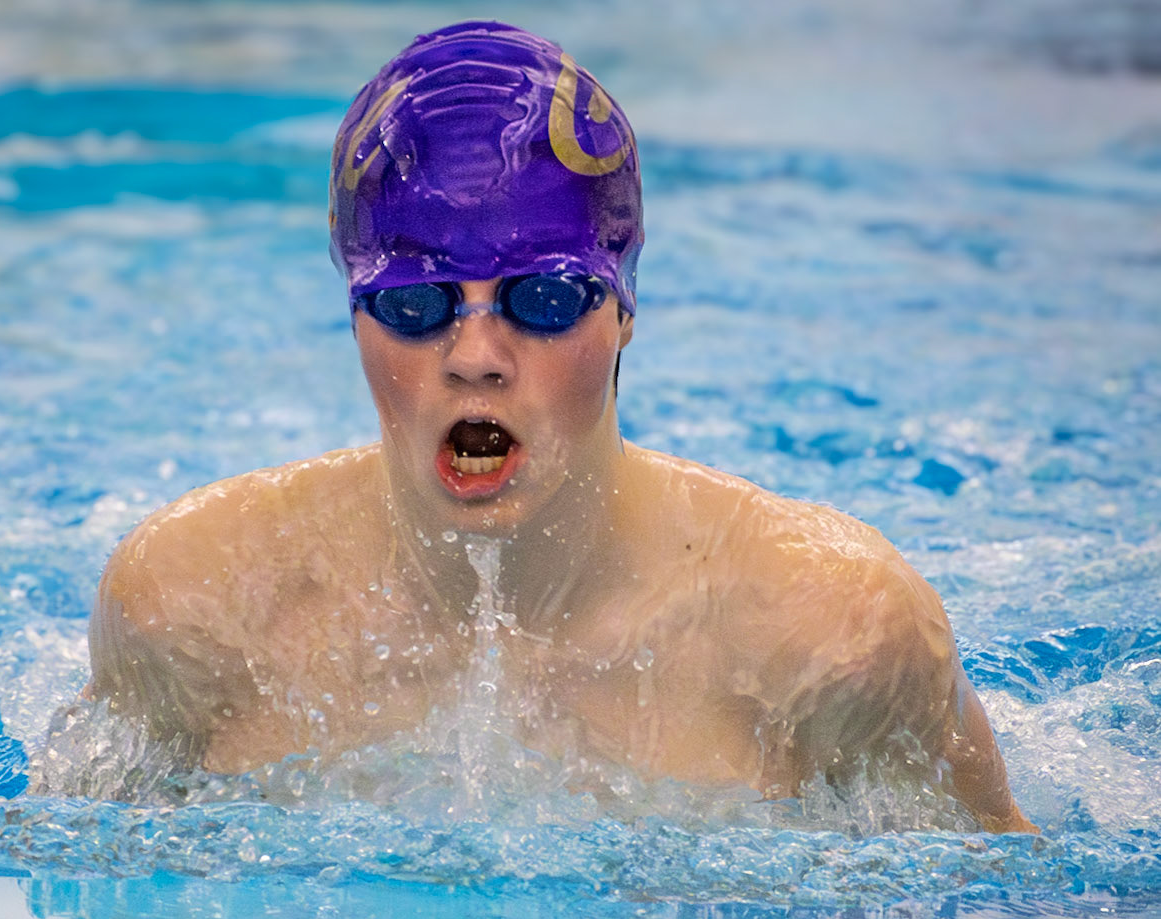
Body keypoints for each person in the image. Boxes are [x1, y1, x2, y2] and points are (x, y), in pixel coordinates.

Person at [80, 21, 1034, 832]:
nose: (475, 355)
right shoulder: (197, 610)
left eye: (543, 299)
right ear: (356, 315)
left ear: (623, 309)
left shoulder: (831, 634)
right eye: (416, 304)